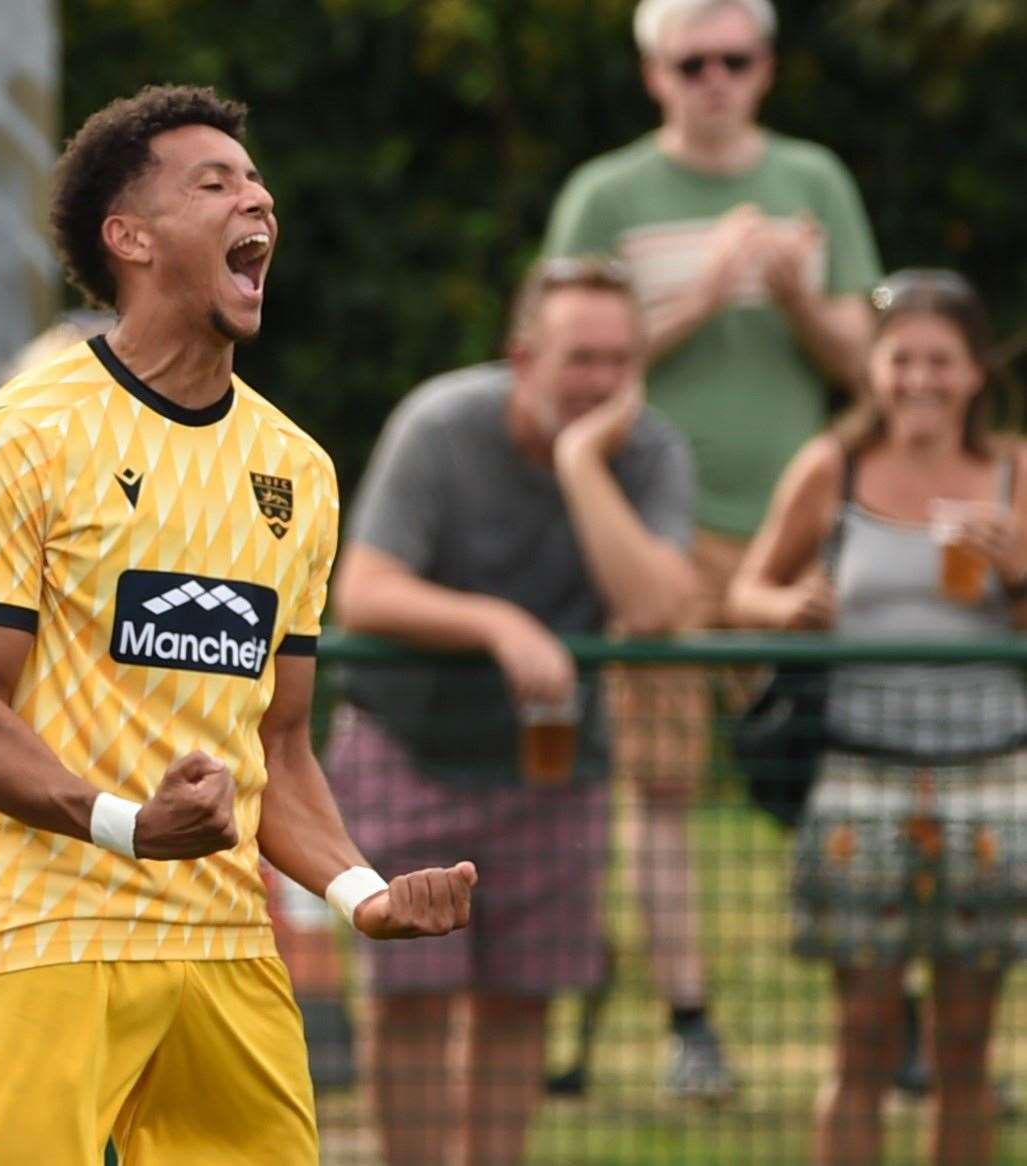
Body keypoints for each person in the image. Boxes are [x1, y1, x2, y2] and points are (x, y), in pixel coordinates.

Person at [0, 84, 476, 1166]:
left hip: (225, 949)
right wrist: (129, 823)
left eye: (255, 182)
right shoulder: (27, 432)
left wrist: (361, 891)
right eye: (214, 184)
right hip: (45, 934)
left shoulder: (295, 469)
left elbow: (281, 747)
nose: (255, 198)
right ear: (131, 238)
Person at [541, 0, 883, 1098]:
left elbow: (876, 366)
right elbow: (560, 365)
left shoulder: (817, 179)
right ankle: (692, 1025)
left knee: (841, 769)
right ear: (655, 73)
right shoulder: (605, 195)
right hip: (658, 530)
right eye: (693, 61)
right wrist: (696, 295)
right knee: (662, 784)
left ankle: (883, 1016)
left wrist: (792, 296)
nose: (715, 78)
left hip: (796, 527)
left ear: (768, 68)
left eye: (735, 59)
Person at [326, 256, 698, 1165]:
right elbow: (362, 592)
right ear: (523, 354)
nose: (601, 382)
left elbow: (654, 608)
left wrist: (580, 462)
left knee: (519, 1002)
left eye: (620, 361)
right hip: (410, 745)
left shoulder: (647, 451)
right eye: (579, 359)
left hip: (552, 766)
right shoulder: (441, 425)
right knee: (408, 996)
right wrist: (496, 624)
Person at [727, 269, 1026, 1166]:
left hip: (991, 773)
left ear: (975, 372)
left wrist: (1018, 572)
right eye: (902, 359)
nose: (920, 379)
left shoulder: (1015, 470)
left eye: (941, 360)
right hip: (859, 771)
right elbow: (745, 589)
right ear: (874, 369)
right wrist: (789, 610)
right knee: (859, 1036)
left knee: (964, 1044)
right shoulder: (832, 465)